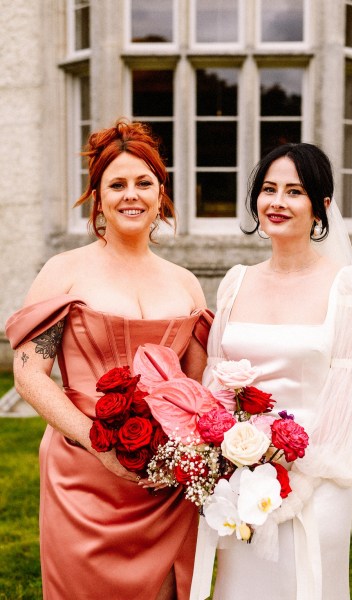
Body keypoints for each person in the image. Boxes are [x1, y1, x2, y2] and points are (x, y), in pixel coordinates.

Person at [6, 118, 212, 600]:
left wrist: (193, 452)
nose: (131, 195)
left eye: (144, 182)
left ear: (161, 193)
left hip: (165, 482)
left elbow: (198, 384)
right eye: (116, 184)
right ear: (98, 197)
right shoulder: (64, 271)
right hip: (83, 473)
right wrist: (96, 444)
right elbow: (28, 374)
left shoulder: (185, 283)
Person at [190, 143, 352, 600]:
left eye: (294, 191)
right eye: (268, 189)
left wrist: (295, 486)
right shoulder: (235, 281)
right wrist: (226, 462)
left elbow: (350, 401)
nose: (277, 202)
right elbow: (216, 379)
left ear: (322, 207)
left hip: (318, 480)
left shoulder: (350, 288)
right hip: (238, 478)